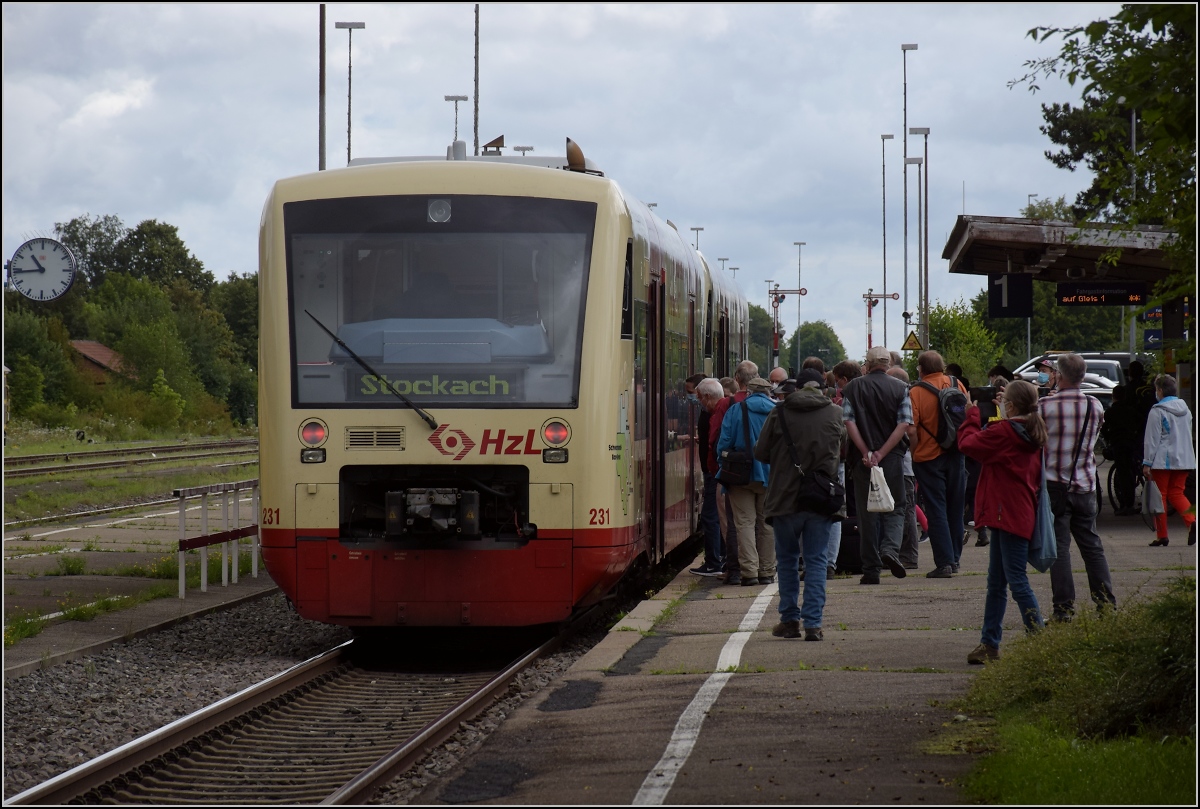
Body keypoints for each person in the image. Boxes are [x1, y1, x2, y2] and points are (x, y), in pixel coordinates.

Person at [958, 380, 1047, 663]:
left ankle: (1041, 643)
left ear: (1009, 406)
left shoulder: (1005, 432)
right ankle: (989, 643)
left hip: (1006, 513)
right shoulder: (1032, 430)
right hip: (1016, 512)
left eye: (1003, 399)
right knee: (997, 581)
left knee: (1016, 581)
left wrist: (971, 415)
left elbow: (967, 444)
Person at [756, 368, 845, 641]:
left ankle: (790, 621)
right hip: (820, 499)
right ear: (822, 388)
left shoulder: (779, 412)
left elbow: (760, 452)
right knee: (817, 561)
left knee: (786, 560)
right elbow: (846, 453)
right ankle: (813, 625)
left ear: (796, 388)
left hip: (784, 498)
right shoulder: (835, 414)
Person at [1037, 352, 1116, 622]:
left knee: (1060, 549)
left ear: (1058, 375)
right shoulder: (1095, 406)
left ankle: (1063, 609)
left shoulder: (1045, 406)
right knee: (1092, 546)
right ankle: (1106, 605)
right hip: (1084, 484)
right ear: (1083, 376)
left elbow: (1035, 440)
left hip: (1055, 487)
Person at [841, 345, 911, 584]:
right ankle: (890, 549)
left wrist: (866, 452)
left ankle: (871, 570)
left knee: (867, 511)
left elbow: (848, 422)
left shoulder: (852, 387)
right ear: (889, 365)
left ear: (867, 364)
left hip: (863, 459)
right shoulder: (901, 388)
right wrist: (881, 453)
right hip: (891, 456)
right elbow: (904, 424)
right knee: (897, 506)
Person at [906, 351, 968, 578]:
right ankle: (956, 559)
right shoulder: (956, 384)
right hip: (956, 453)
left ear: (921, 369)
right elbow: (967, 414)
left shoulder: (915, 391)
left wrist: (914, 452)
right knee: (955, 508)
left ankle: (944, 563)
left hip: (928, 457)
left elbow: (911, 429)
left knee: (936, 510)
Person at [716, 375, 777, 585]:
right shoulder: (778, 411)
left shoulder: (736, 410)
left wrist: (722, 462)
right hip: (772, 475)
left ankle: (749, 572)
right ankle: (767, 571)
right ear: (769, 392)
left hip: (740, 475)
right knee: (768, 524)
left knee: (744, 523)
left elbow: (724, 442)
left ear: (748, 392)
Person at [712, 363, 756, 584]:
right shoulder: (772, 406)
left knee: (736, 522)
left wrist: (721, 469)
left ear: (737, 379)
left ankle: (736, 570)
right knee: (764, 523)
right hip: (765, 473)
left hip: (736, 473)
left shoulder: (728, 405)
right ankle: (764, 570)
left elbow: (718, 440)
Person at [1142, 374, 1197, 546]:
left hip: (1162, 461)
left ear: (1159, 390)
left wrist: (1147, 462)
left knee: (1160, 498)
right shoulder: (1185, 410)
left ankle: (1162, 535)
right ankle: (1192, 520)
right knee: (1178, 493)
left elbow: (1152, 440)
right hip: (1185, 459)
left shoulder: (1157, 411)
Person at [690, 376, 725, 576]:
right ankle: (718, 560)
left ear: (708, 397)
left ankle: (714, 563)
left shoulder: (717, 414)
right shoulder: (716, 412)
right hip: (714, 471)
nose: (698, 402)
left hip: (715, 473)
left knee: (711, 517)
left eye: (700, 398)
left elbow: (716, 444)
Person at [887, 365, 921, 569]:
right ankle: (900, 551)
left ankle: (909, 554)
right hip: (904, 462)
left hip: (906, 463)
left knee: (907, 508)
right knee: (904, 506)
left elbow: (911, 431)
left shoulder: (907, 400)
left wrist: (913, 453)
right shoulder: (904, 399)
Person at [1101, 385, 1143, 515]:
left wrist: (1109, 438)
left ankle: (1127, 505)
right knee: (1130, 472)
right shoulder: (1132, 410)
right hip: (1131, 444)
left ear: (1113, 396)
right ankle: (1129, 502)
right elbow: (1141, 425)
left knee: (1124, 474)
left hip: (1118, 445)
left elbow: (1103, 429)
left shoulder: (1110, 412)